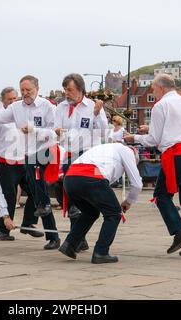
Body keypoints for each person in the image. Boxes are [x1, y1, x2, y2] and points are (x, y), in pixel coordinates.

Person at [124, 74, 181, 258]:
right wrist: (150, 129)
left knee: (161, 195)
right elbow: (177, 127)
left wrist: (134, 138)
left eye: (153, 88)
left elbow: (154, 140)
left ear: (161, 88)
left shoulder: (160, 105)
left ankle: (179, 231)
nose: (152, 91)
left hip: (178, 155)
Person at [0, 75, 61, 250]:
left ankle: (39, 212)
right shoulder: (15, 107)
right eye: (23, 91)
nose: (26, 93)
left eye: (29, 90)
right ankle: (52, 234)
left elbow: (55, 132)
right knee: (38, 191)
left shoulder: (47, 107)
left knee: (37, 185)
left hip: (46, 151)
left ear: (37, 89)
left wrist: (34, 130)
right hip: (27, 155)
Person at [58, 143, 143, 264]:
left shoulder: (104, 148)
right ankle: (101, 252)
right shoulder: (127, 152)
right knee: (113, 214)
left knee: (90, 212)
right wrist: (128, 201)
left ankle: (69, 245)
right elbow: (137, 184)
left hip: (70, 179)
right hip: (90, 177)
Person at [54, 73, 107, 253]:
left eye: (69, 90)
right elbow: (57, 132)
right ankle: (79, 239)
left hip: (88, 156)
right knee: (73, 201)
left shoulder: (94, 107)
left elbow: (102, 133)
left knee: (86, 202)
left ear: (80, 89)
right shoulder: (61, 108)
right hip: (69, 156)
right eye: (65, 90)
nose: (66, 93)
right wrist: (58, 133)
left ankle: (77, 238)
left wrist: (98, 115)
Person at [0, 86, 43, 242]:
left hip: (23, 161)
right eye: (9, 99)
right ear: (3, 100)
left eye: (15, 99)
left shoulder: (21, 115)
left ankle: (28, 223)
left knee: (35, 190)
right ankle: (1, 230)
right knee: (9, 197)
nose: (12, 102)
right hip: (5, 163)